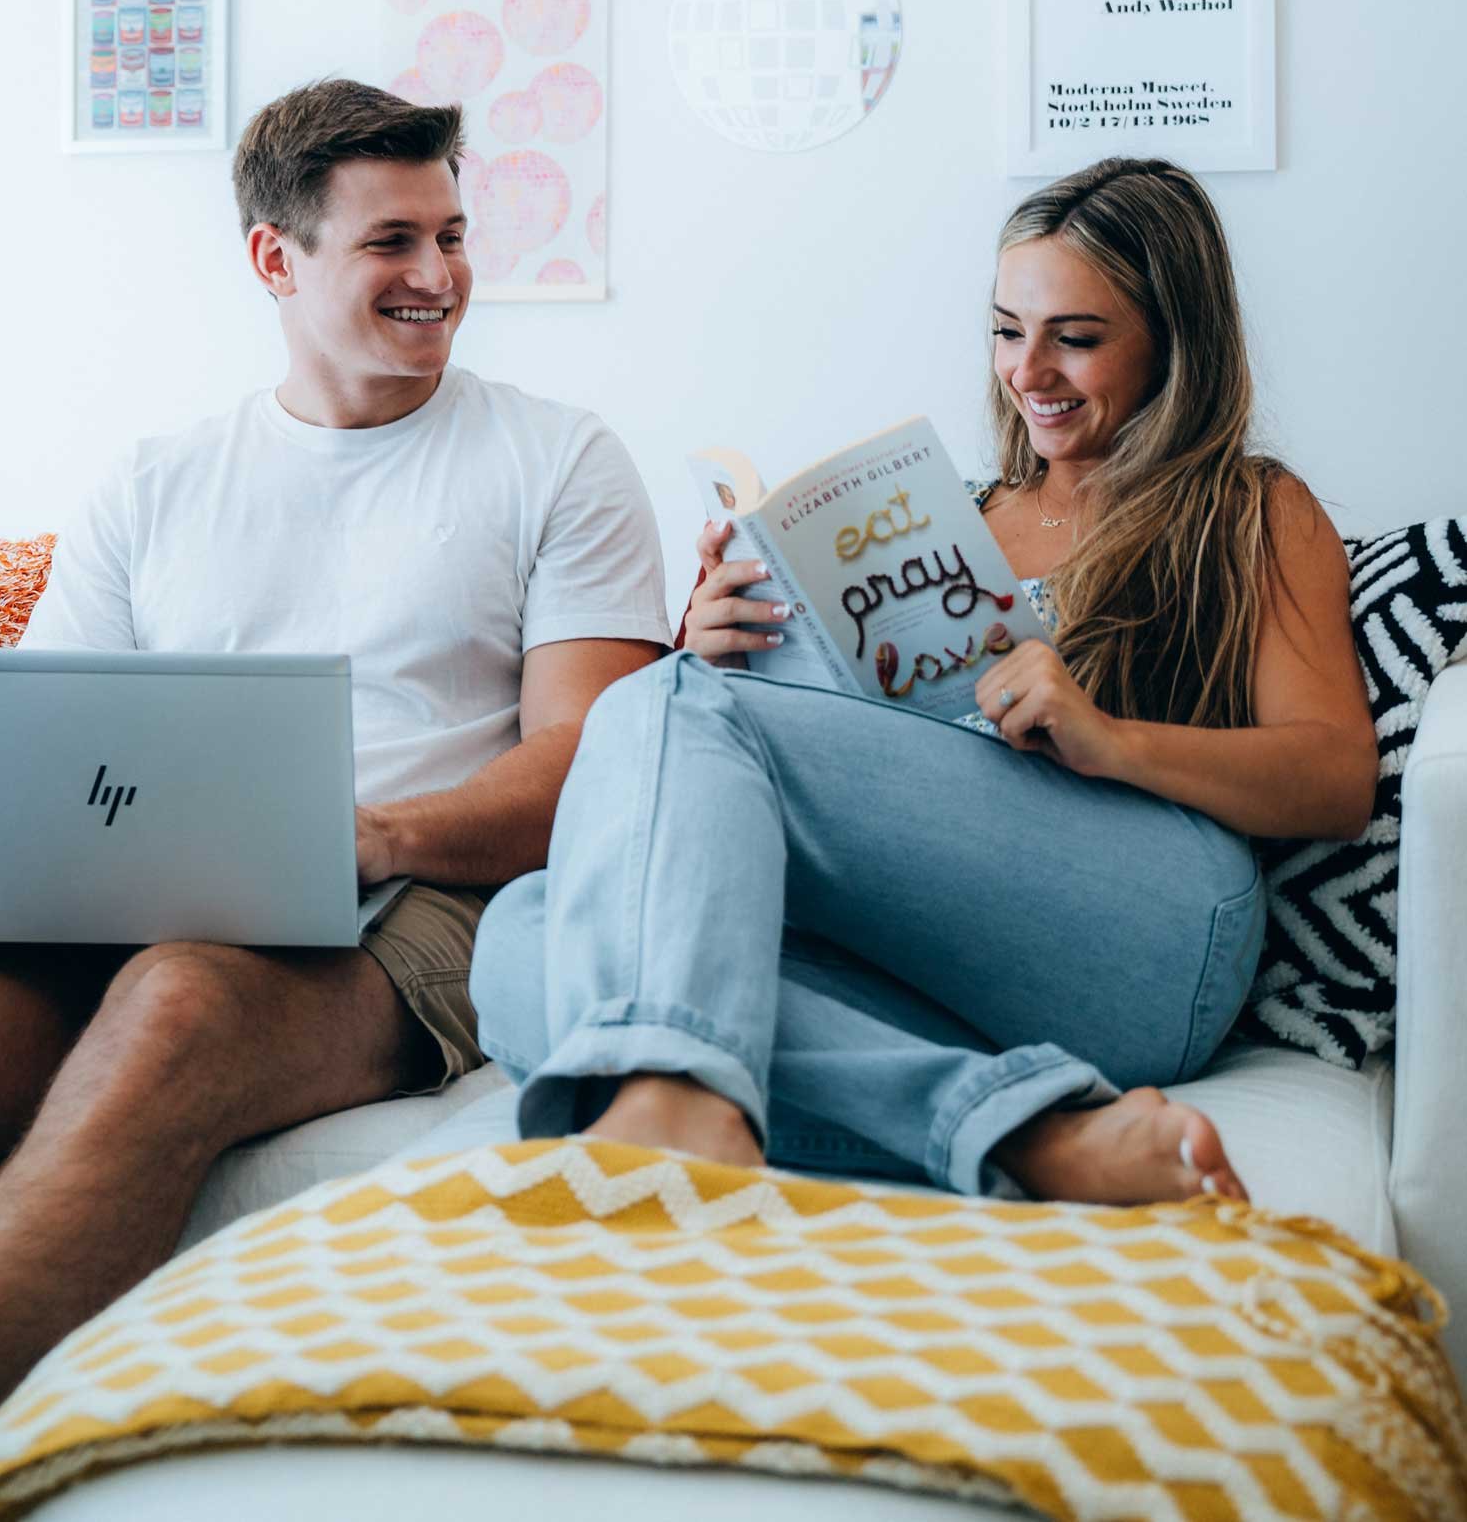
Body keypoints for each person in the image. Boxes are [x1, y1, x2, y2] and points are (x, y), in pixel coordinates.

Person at [0, 78, 669, 1522]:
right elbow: (38, 746)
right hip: (150, 886)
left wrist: (367, 833)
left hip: (428, 900)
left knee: (177, 1000)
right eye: (391, 242)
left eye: (453, 235)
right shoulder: (158, 483)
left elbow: (587, 763)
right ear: (276, 261)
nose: (440, 276)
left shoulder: (557, 458)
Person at [471, 156, 1377, 1211]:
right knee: (527, 932)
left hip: (1158, 921)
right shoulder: (951, 517)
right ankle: (1030, 1134)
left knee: (663, 710)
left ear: (1174, 344)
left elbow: (1333, 776)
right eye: (1006, 330)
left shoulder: (1252, 508)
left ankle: (678, 1090)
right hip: (959, 961)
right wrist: (721, 645)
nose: (1027, 369)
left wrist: (1111, 736)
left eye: (1074, 338)